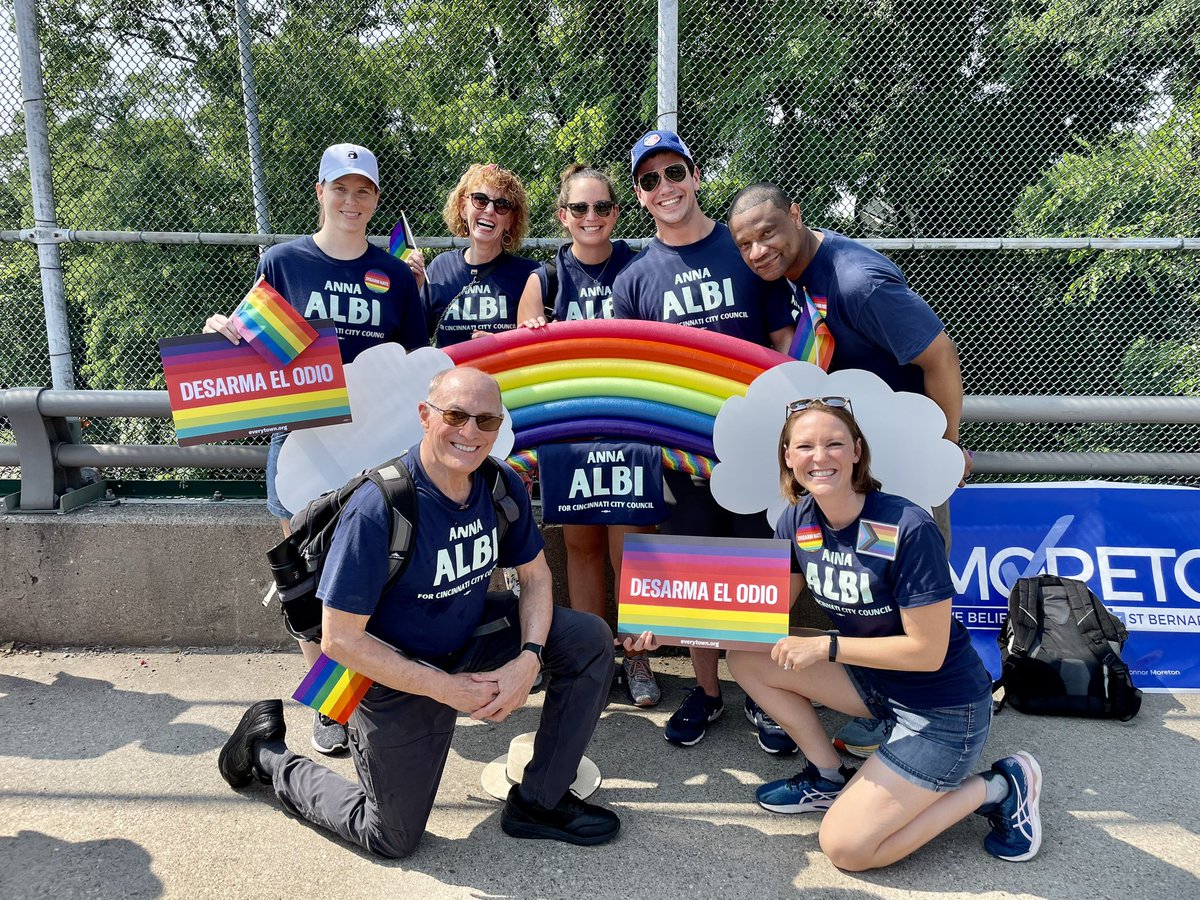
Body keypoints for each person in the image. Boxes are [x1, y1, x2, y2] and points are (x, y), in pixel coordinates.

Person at [217, 367, 621, 857]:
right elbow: (339, 641)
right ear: (425, 417)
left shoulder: (499, 484)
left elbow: (536, 577)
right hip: (392, 670)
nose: (470, 432)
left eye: (486, 421)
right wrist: (445, 690)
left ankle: (540, 801)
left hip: (466, 636)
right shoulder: (380, 506)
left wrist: (529, 658)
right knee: (389, 836)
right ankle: (266, 757)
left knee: (587, 637)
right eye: (456, 415)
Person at [725, 396, 1041, 870]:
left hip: (943, 709)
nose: (819, 456)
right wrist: (663, 621)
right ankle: (826, 777)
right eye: (804, 446)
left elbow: (927, 652)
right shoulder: (796, 519)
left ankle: (998, 788)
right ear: (788, 458)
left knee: (847, 850)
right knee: (747, 655)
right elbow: (762, 614)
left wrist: (826, 646)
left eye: (833, 444)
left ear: (856, 451)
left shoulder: (906, 525)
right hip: (876, 683)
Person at [728, 180, 972, 759]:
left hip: (899, 465)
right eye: (746, 244)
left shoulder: (856, 282)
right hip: (843, 462)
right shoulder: (798, 278)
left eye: (769, 233)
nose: (760, 250)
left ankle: (933, 722)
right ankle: (886, 713)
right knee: (861, 588)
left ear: (797, 214)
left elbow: (939, 356)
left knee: (905, 597)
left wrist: (948, 444)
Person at [205, 142, 426, 756]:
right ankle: (332, 706)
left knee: (373, 579)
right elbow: (246, 345)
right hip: (301, 445)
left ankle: (377, 695)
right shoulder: (283, 263)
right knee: (309, 581)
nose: (351, 201)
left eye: (364, 190)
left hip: (377, 448)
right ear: (321, 191)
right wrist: (217, 332)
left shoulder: (396, 275)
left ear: (376, 199)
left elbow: (413, 367)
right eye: (340, 188)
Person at [612, 130, 797, 751]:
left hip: (756, 452)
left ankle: (765, 694)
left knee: (759, 573)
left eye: (674, 172)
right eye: (649, 180)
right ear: (640, 195)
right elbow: (634, 376)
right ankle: (710, 692)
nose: (664, 187)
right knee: (694, 573)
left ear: (695, 175)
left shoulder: (742, 248)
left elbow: (780, 346)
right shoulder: (635, 279)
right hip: (682, 452)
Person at [515, 164, 662, 708]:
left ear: (617, 214)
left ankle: (637, 656)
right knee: (579, 547)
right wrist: (527, 334)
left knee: (631, 548)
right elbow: (527, 361)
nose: (591, 217)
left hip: (628, 426)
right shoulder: (545, 278)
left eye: (602, 207)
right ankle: (594, 663)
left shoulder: (639, 265)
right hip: (571, 430)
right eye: (579, 208)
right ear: (563, 216)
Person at [411, 163, 540, 347]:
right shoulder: (441, 267)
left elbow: (539, 347)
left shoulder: (529, 275)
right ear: (464, 208)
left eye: (501, 205)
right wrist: (411, 291)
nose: (489, 210)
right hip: (449, 375)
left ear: (510, 220)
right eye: (480, 200)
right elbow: (414, 341)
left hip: (505, 375)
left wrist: (501, 345)